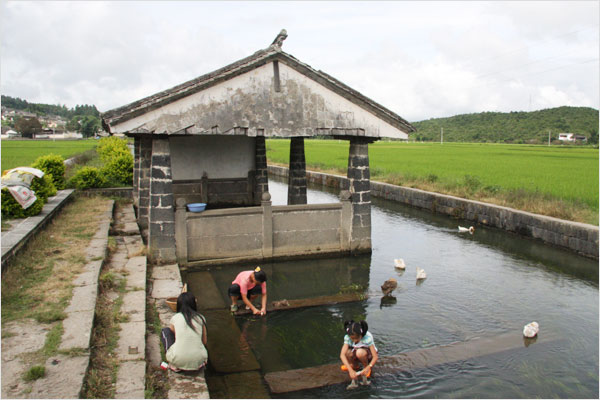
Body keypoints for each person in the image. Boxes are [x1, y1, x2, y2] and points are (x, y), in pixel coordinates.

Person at [160, 292, 208, 372]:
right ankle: (195, 364)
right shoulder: (201, 318)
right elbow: (204, 342)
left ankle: (176, 364)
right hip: (199, 360)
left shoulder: (175, 318)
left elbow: (173, 335)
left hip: (178, 360)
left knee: (166, 331)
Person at [340, 320, 378, 389]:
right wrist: (350, 370)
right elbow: (342, 355)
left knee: (360, 352)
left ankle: (365, 366)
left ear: (361, 335)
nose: (354, 341)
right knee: (347, 352)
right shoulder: (348, 337)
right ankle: (354, 365)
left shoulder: (367, 337)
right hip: (356, 350)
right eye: (352, 339)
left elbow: (375, 356)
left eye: (356, 338)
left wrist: (369, 367)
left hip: (367, 354)